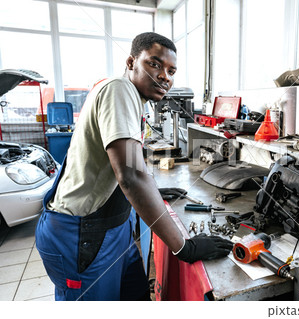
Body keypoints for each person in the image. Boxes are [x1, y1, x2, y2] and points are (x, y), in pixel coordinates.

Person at [35, 32, 233, 301]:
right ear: (131, 62)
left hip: (115, 229)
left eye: (171, 70)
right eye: (155, 64)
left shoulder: (133, 99)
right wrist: (183, 248)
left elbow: (130, 165)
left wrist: (155, 192)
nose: (165, 76)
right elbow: (131, 176)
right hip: (81, 234)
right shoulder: (119, 89)